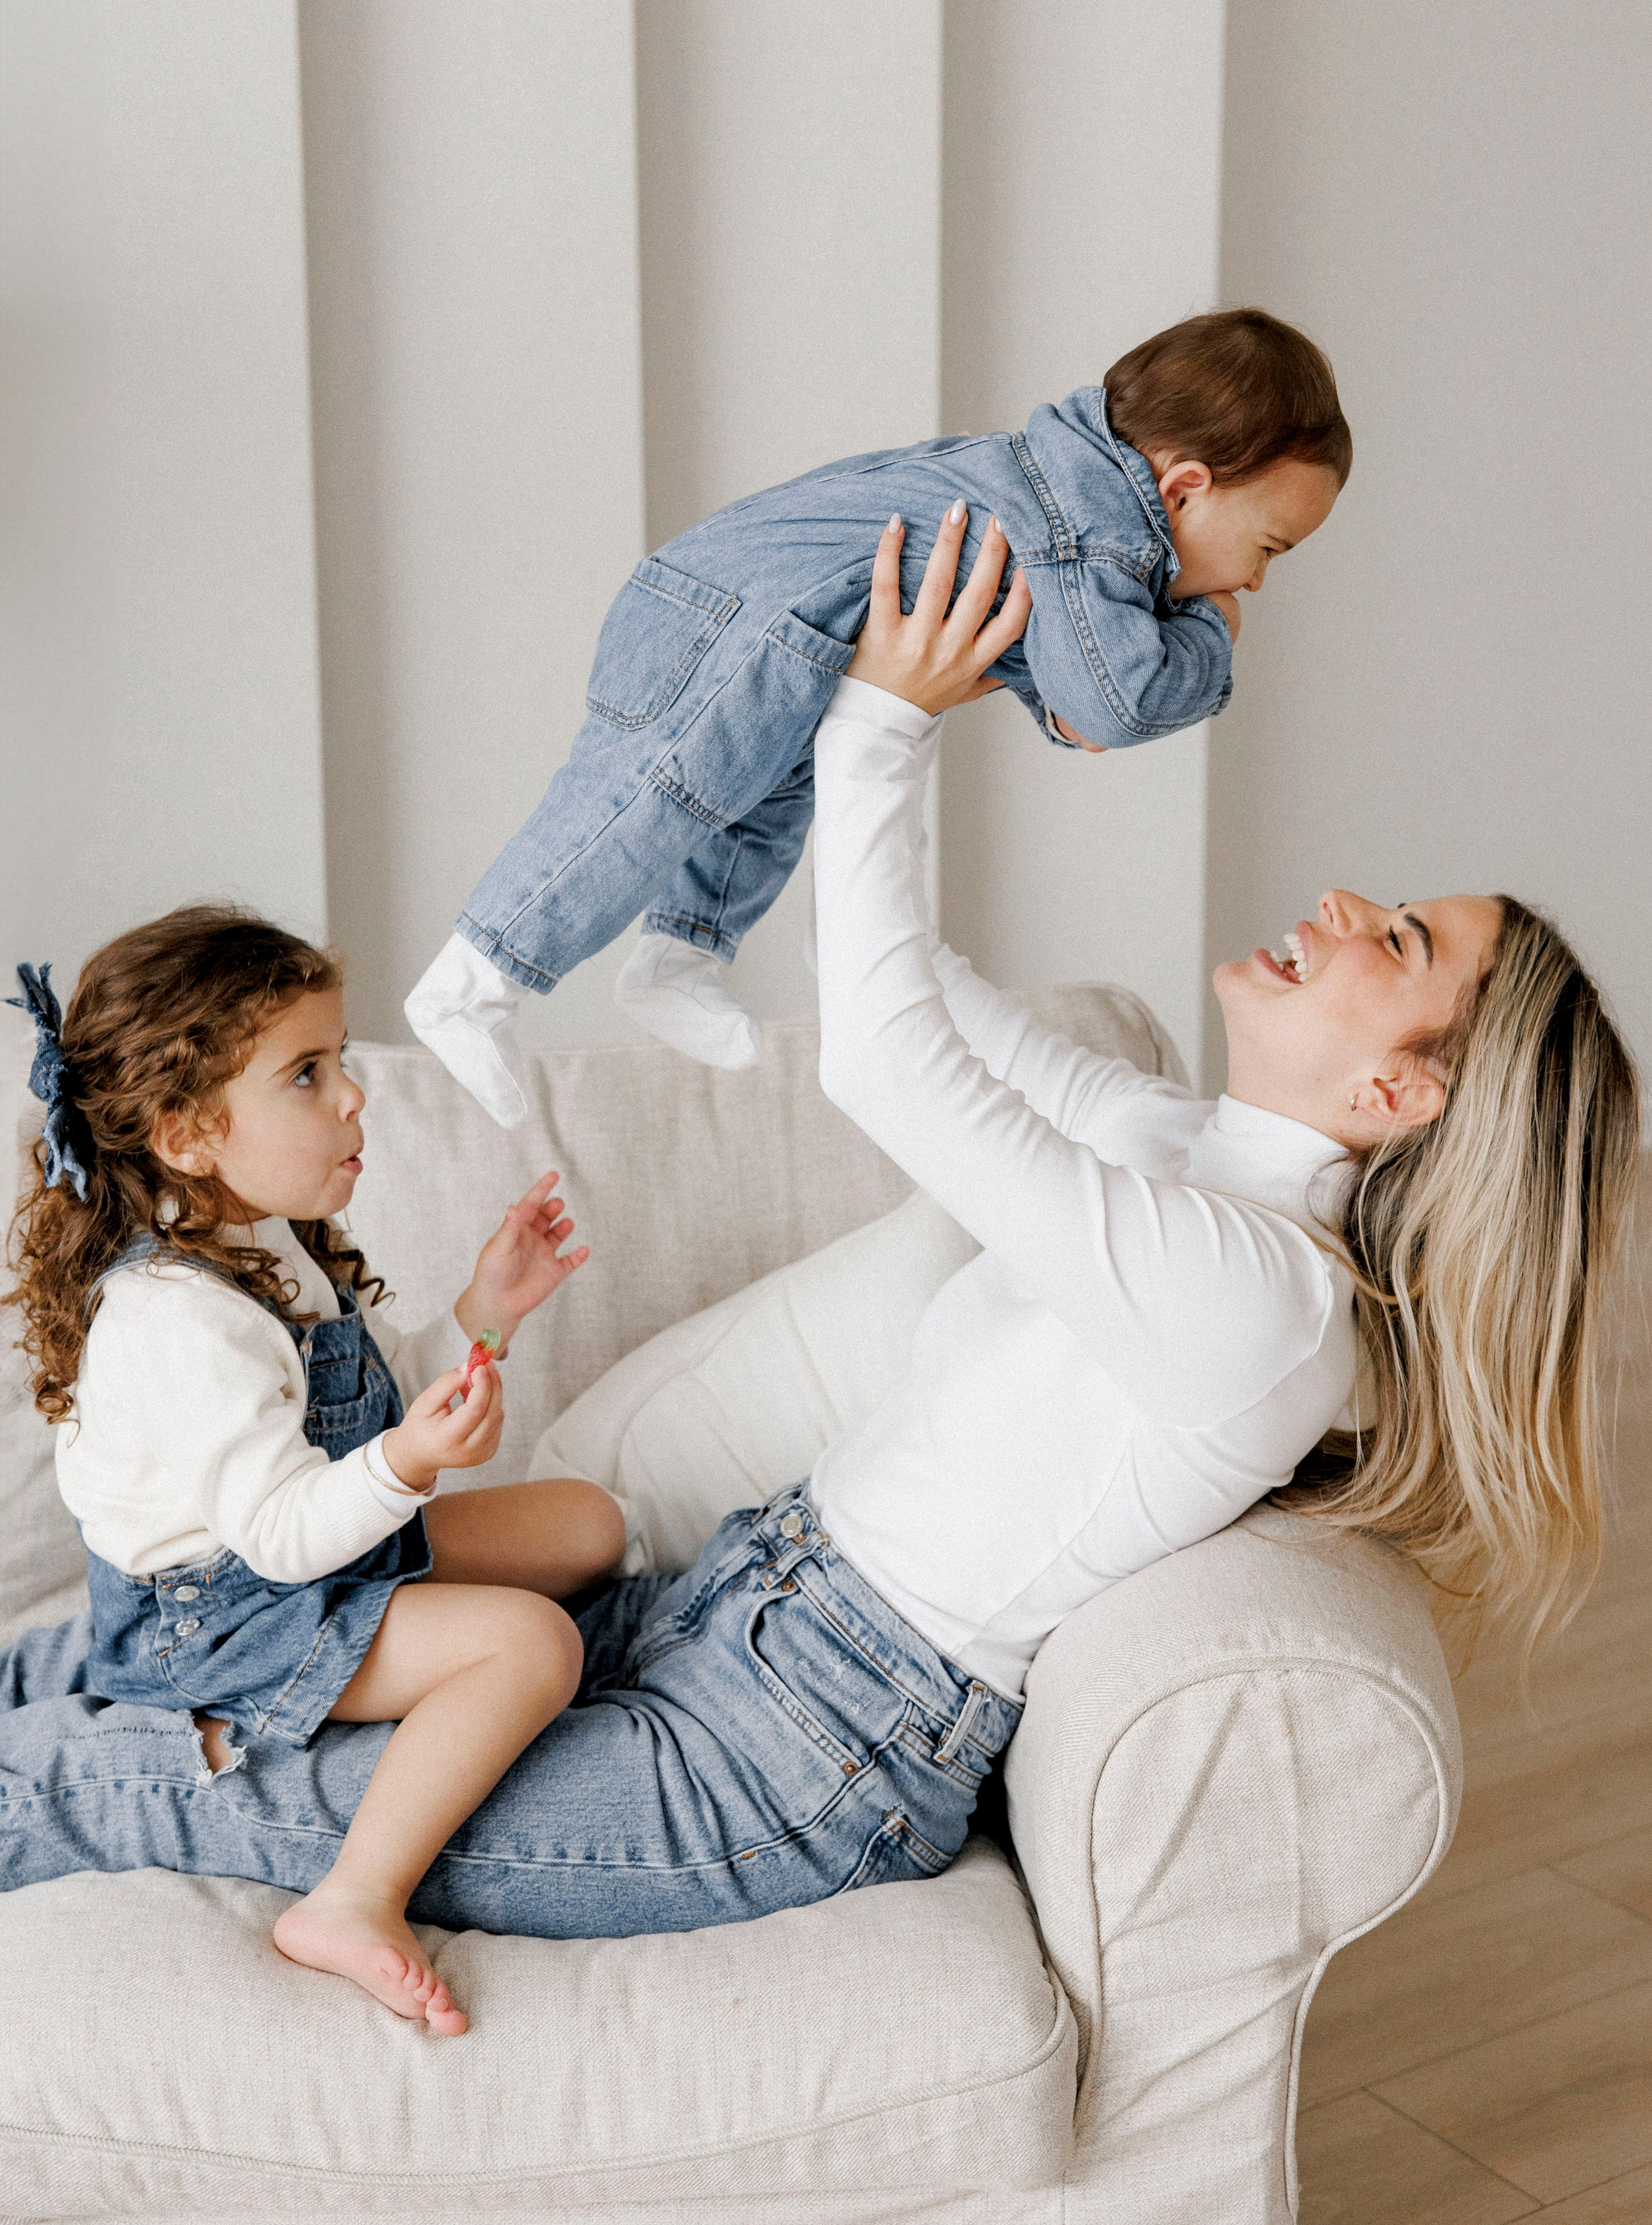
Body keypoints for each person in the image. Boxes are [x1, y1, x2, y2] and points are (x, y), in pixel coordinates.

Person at [0, 510, 1637, 1980]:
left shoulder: (1248, 1293)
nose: (1343, 903)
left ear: (1396, 1091)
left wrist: (883, 727)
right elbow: (935, 992)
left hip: (795, 1753)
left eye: (1397, 939)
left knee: (89, 1782)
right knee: (151, 1674)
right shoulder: (1175, 1154)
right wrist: (797, 725)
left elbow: (888, 1059)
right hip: (739, 1608)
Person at [405, 309, 1349, 1113]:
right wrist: (1209, 634)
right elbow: (1115, 701)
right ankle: (477, 975)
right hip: (726, 614)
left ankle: (680, 957)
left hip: (780, 627)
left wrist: (1065, 703)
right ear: (1183, 488)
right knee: (652, 802)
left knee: (766, 800)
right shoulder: (1090, 527)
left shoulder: (1065, 498)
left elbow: (1058, 674)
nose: (1257, 582)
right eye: (1269, 547)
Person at [3, 918, 623, 2032]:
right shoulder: (173, 1317)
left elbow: (365, 1416)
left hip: (313, 1558)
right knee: (533, 1641)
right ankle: (353, 1899)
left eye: (340, 1060)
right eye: (307, 1072)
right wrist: (410, 1462)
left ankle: (432, 1659)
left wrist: (484, 1315)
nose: (354, 1094)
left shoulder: (267, 1238)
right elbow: (285, 1531)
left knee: (586, 1524)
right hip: (220, 1617)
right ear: (186, 1132)